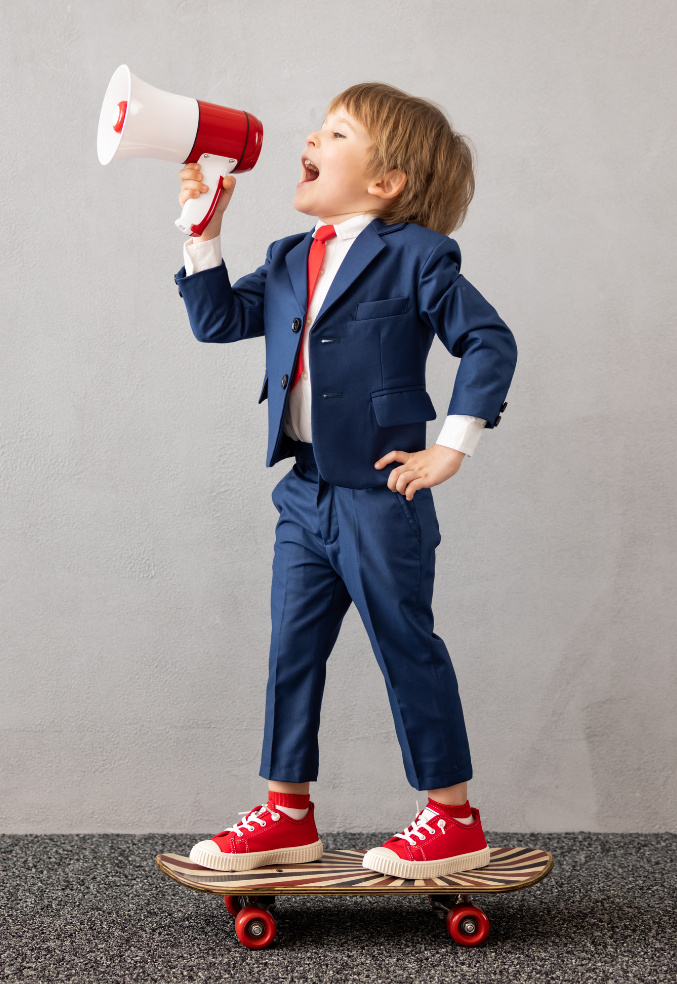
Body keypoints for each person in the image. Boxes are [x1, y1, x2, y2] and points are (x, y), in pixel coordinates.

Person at [174, 83, 516, 879]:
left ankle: (452, 816)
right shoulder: (291, 256)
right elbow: (217, 320)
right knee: (291, 650)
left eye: (334, 132)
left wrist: (450, 446)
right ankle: (285, 812)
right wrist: (203, 238)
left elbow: (488, 342)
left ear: (386, 180)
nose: (310, 139)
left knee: (405, 647)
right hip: (303, 493)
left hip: (379, 496)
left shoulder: (418, 256)